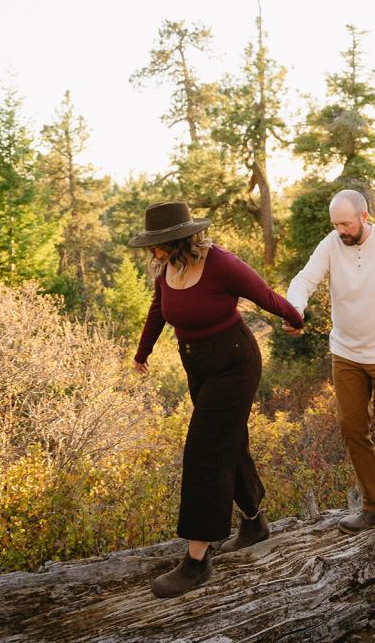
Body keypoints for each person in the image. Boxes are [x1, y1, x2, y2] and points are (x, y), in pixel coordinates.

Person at [130, 200, 304, 598]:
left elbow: (263, 294)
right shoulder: (167, 268)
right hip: (197, 366)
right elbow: (158, 309)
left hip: (234, 363)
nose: (152, 250)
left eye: (156, 242)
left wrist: (294, 318)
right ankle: (254, 523)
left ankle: (197, 560)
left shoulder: (222, 263)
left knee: (204, 452)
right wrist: (142, 353)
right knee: (229, 442)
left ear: (177, 240)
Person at [285, 189, 375, 532]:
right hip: (346, 353)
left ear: (364, 217)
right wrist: (294, 308)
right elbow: (305, 279)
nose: (340, 231)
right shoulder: (331, 244)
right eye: (335, 224)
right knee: (352, 428)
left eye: (346, 224)